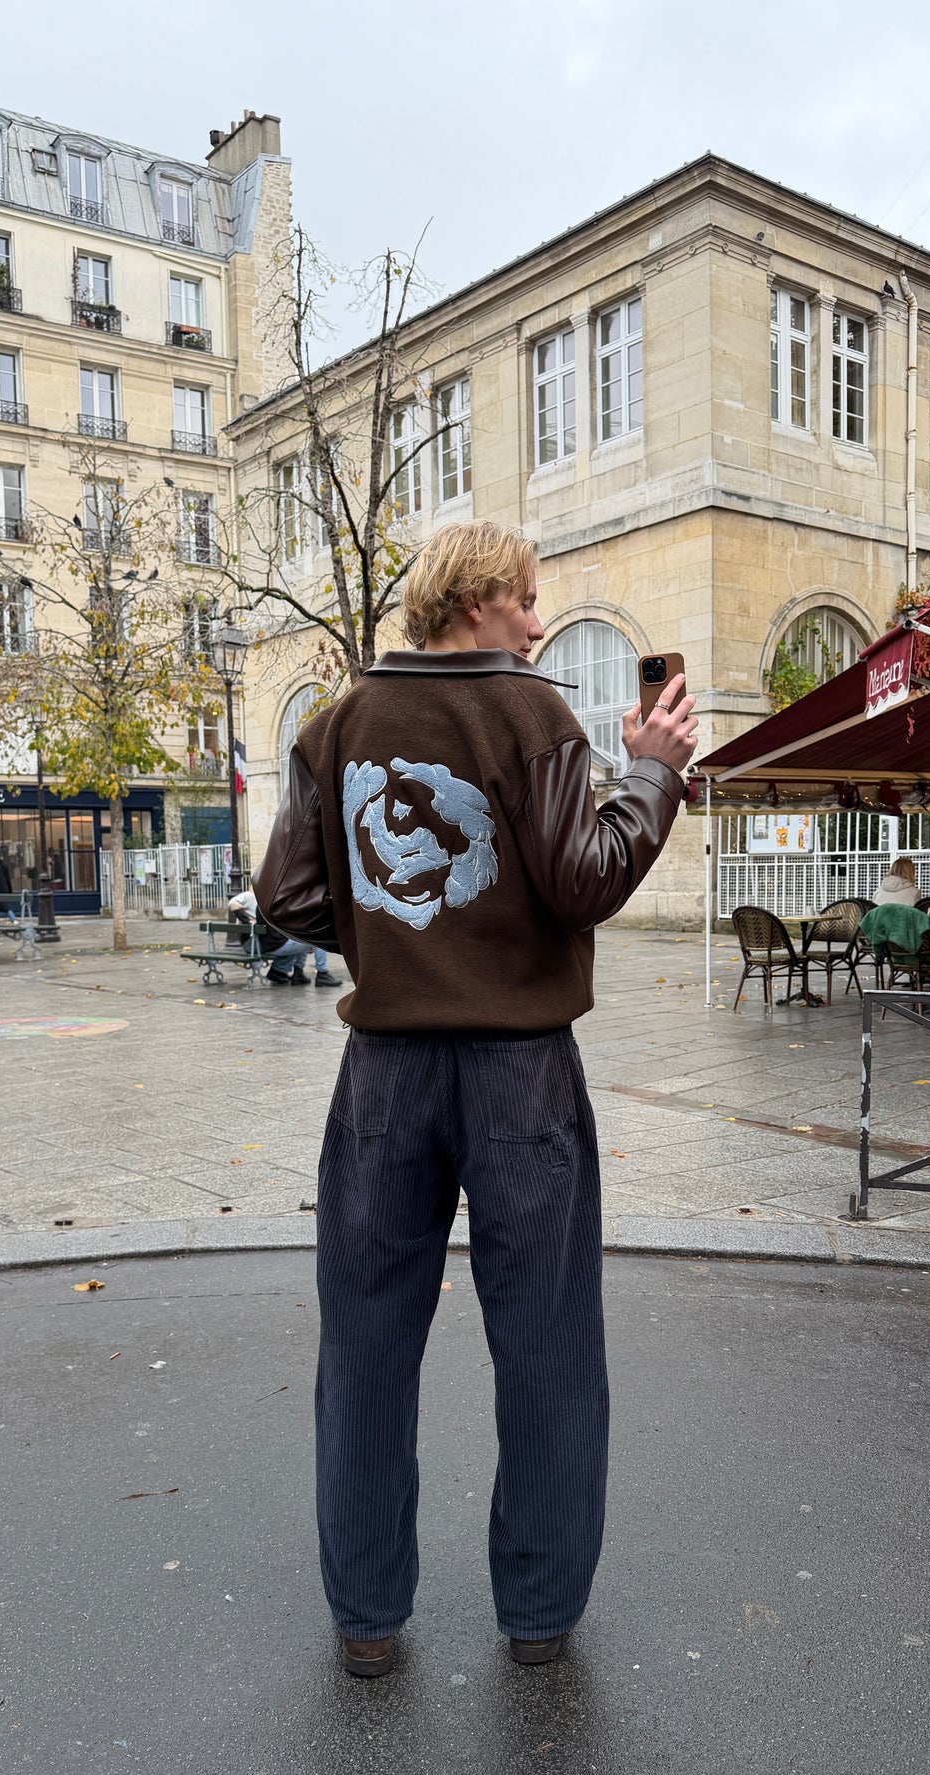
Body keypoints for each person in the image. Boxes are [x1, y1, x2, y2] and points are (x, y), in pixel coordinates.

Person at [257, 519, 696, 1679]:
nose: (536, 619)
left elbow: (286, 894)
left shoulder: (335, 725)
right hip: (518, 1069)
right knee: (545, 1341)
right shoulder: (530, 714)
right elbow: (584, 878)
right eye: (523, 599)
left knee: (362, 1346)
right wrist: (652, 770)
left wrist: (390, 944)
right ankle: (538, 1615)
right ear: (472, 601)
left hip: (385, 1075)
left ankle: (365, 1620)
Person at [227, 885, 318, 985]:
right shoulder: (251, 896)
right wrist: (247, 920)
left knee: (296, 943)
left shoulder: (263, 902)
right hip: (258, 944)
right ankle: (317, 973)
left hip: (255, 942)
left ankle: (279, 972)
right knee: (310, 941)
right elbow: (232, 903)